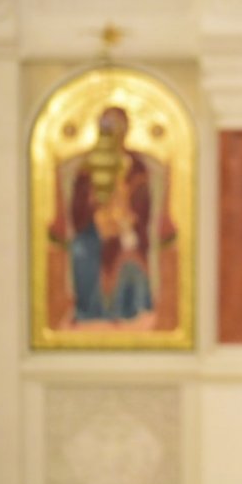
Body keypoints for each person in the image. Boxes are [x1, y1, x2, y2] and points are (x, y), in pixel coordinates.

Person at [49, 106, 176, 324]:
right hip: (92, 227)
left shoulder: (137, 166)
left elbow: (143, 204)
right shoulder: (86, 166)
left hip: (129, 227)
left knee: (129, 253)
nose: (112, 131)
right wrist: (95, 209)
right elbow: (77, 207)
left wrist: (125, 219)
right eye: (107, 125)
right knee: (81, 249)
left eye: (117, 126)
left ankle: (128, 310)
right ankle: (89, 311)